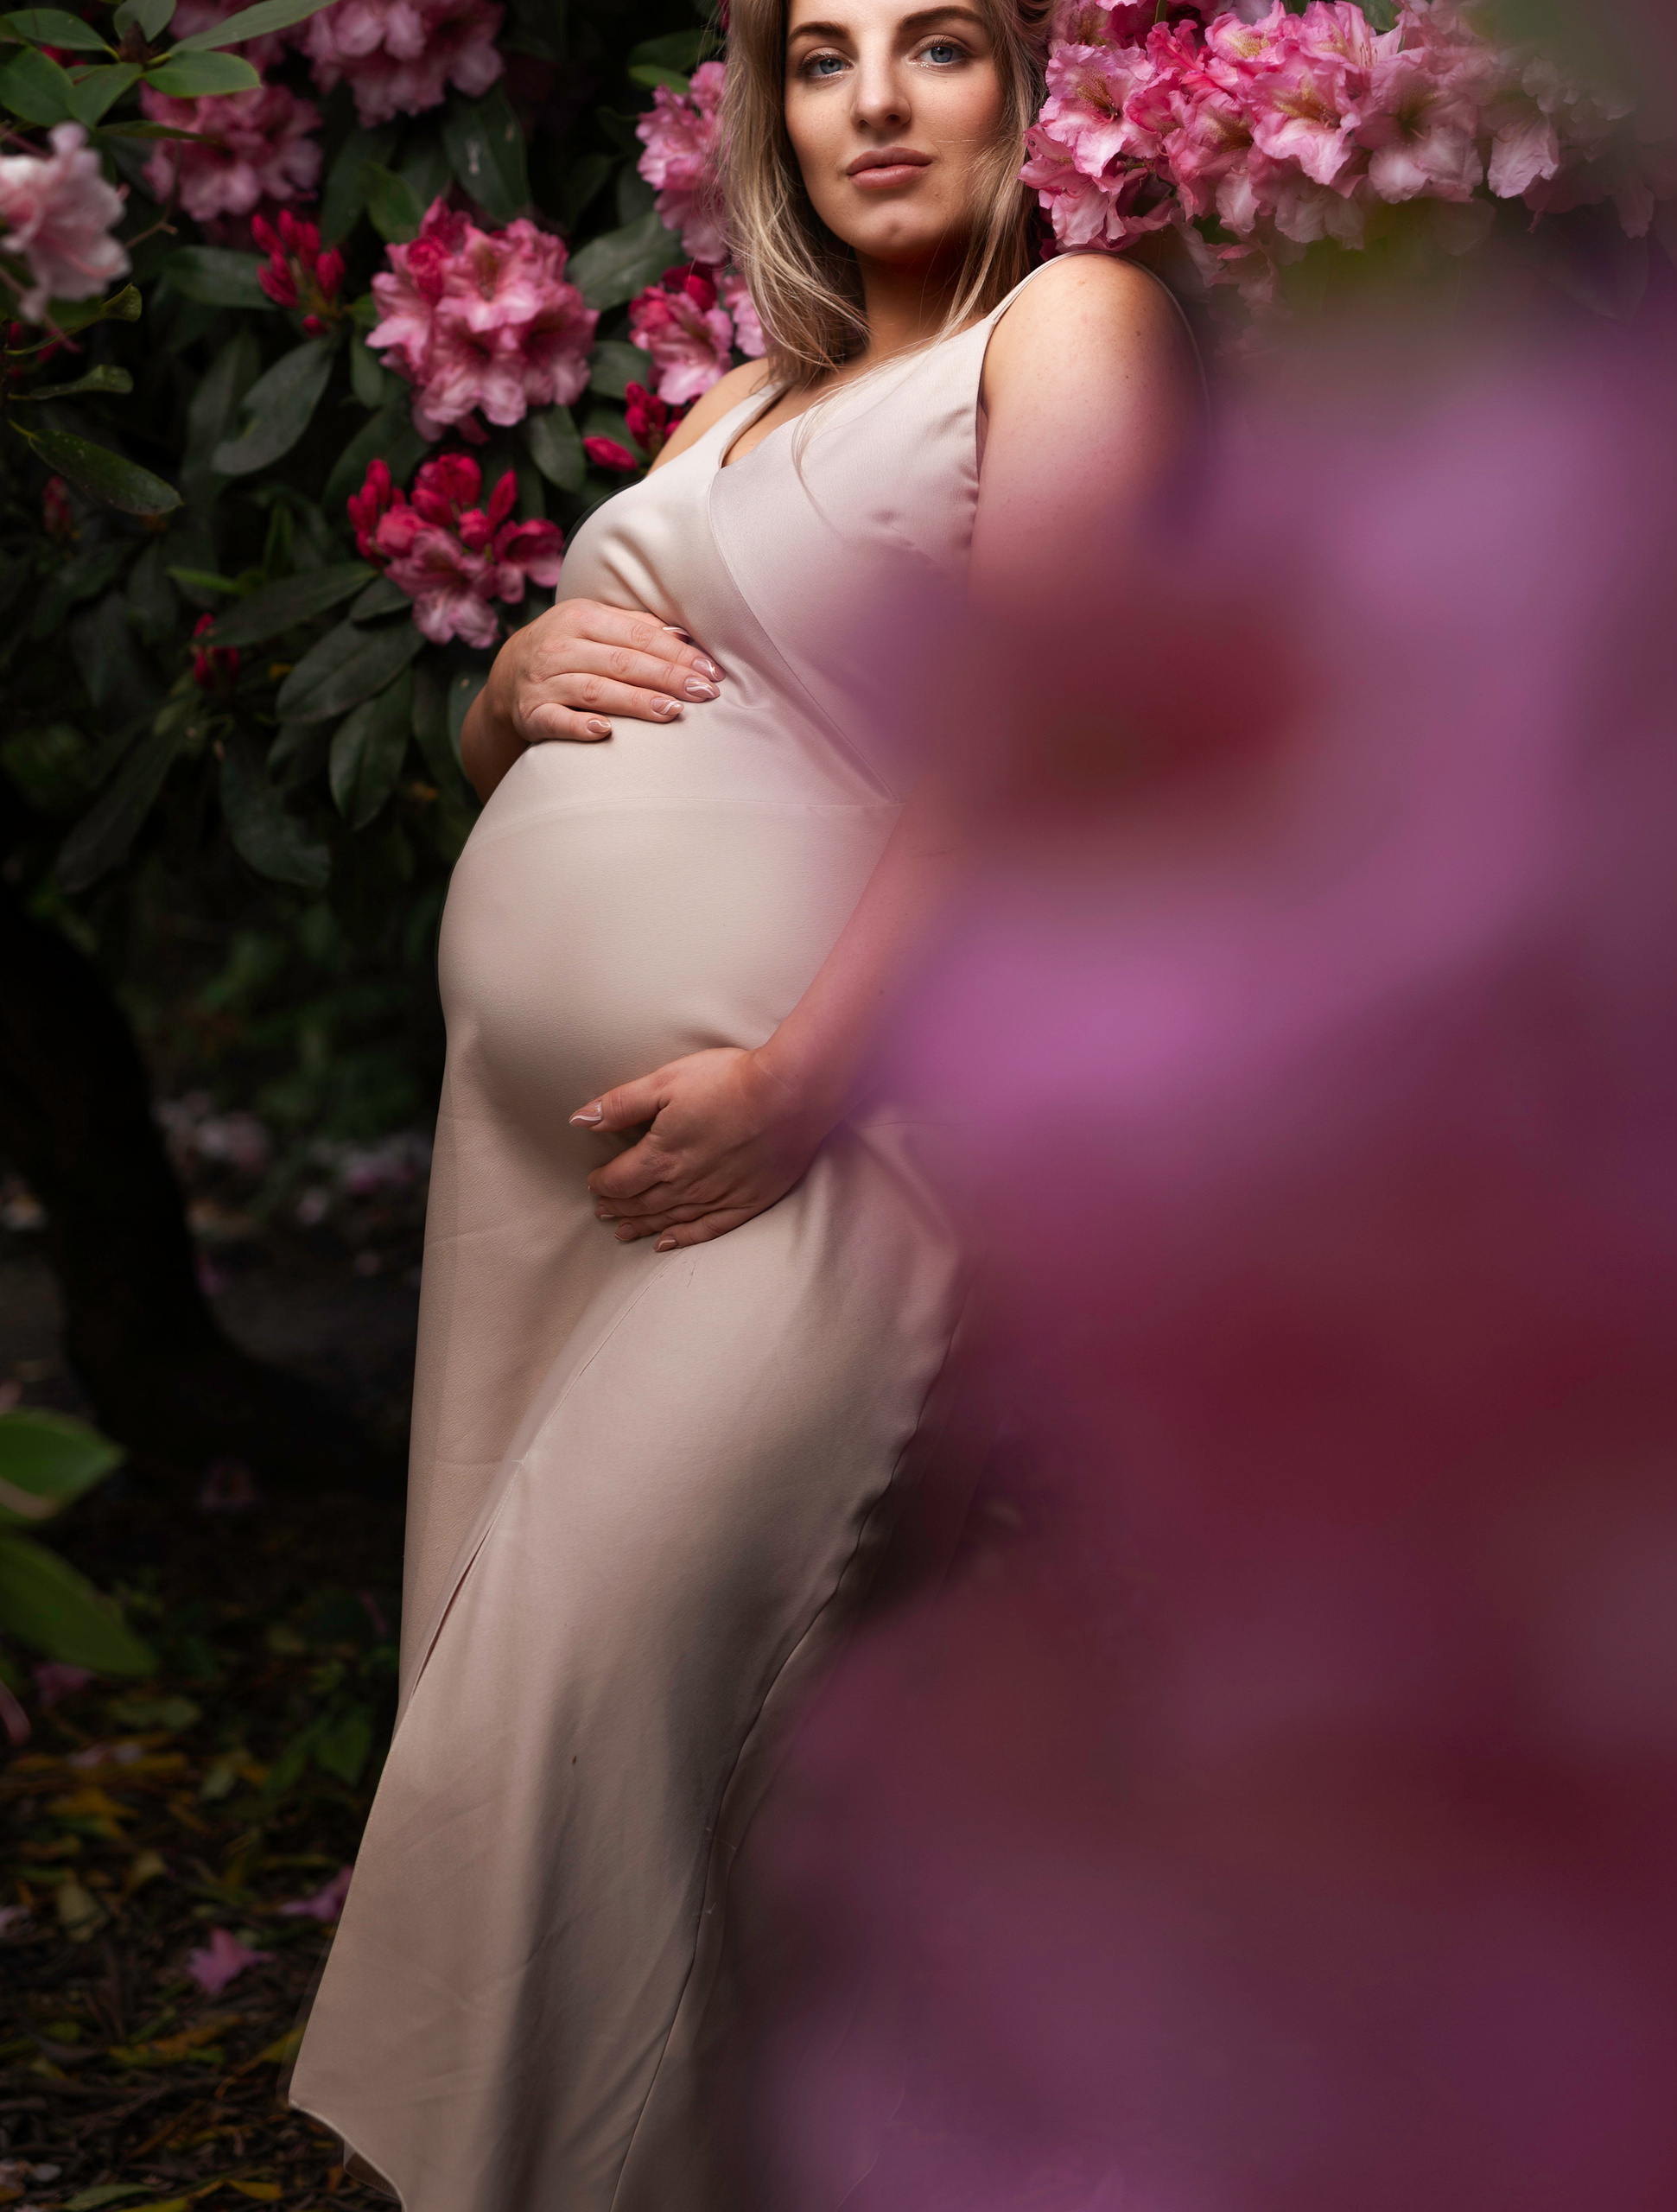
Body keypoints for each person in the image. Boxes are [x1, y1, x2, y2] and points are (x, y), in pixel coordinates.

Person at [286, 0, 1200, 2197]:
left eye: (941, 44)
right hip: (563, 1177)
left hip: (843, 1137)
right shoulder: (736, 397)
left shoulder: (1071, 324)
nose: (876, 100)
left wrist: (810, 1069)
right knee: (632, 1759)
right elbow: (649, 713)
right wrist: (502, 693)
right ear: (772, 107)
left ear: (1027, 84)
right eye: (822, 56)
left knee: (577, 1707)